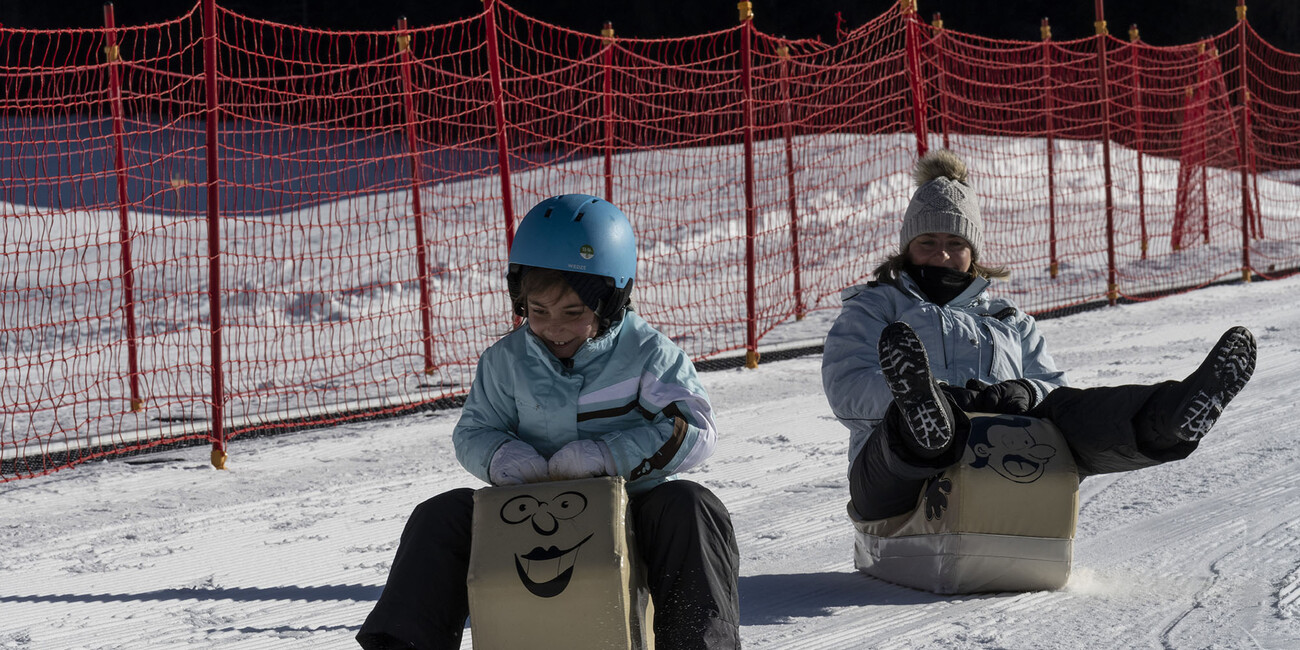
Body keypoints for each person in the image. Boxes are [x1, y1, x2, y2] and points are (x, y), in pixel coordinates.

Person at [356, 194, 741, 650]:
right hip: (527, 512)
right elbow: (475, 429)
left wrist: (607, 456)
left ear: (612, 301)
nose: (554, 327)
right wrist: (501, 456)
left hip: (632, 511)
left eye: (573, 313)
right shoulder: (506, 361)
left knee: (691, 505)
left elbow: (694, 426)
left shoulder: (648, 354)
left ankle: (699, 644)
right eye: (538, 312)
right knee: (441, 516)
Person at [821, 149, 1258, 523]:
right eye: (928, 241)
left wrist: (1025, 392)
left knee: (1067, 412)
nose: (942, 254)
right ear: (907, 246)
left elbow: (1053, 385)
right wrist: (932, 398)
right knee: (910, 425)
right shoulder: (877, 305)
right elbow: (847, 386)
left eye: (955, 242)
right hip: (893, 482)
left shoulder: (1010, 320)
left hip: (998, 469)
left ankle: (1171, 416)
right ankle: (926, 418)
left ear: (973, 251)